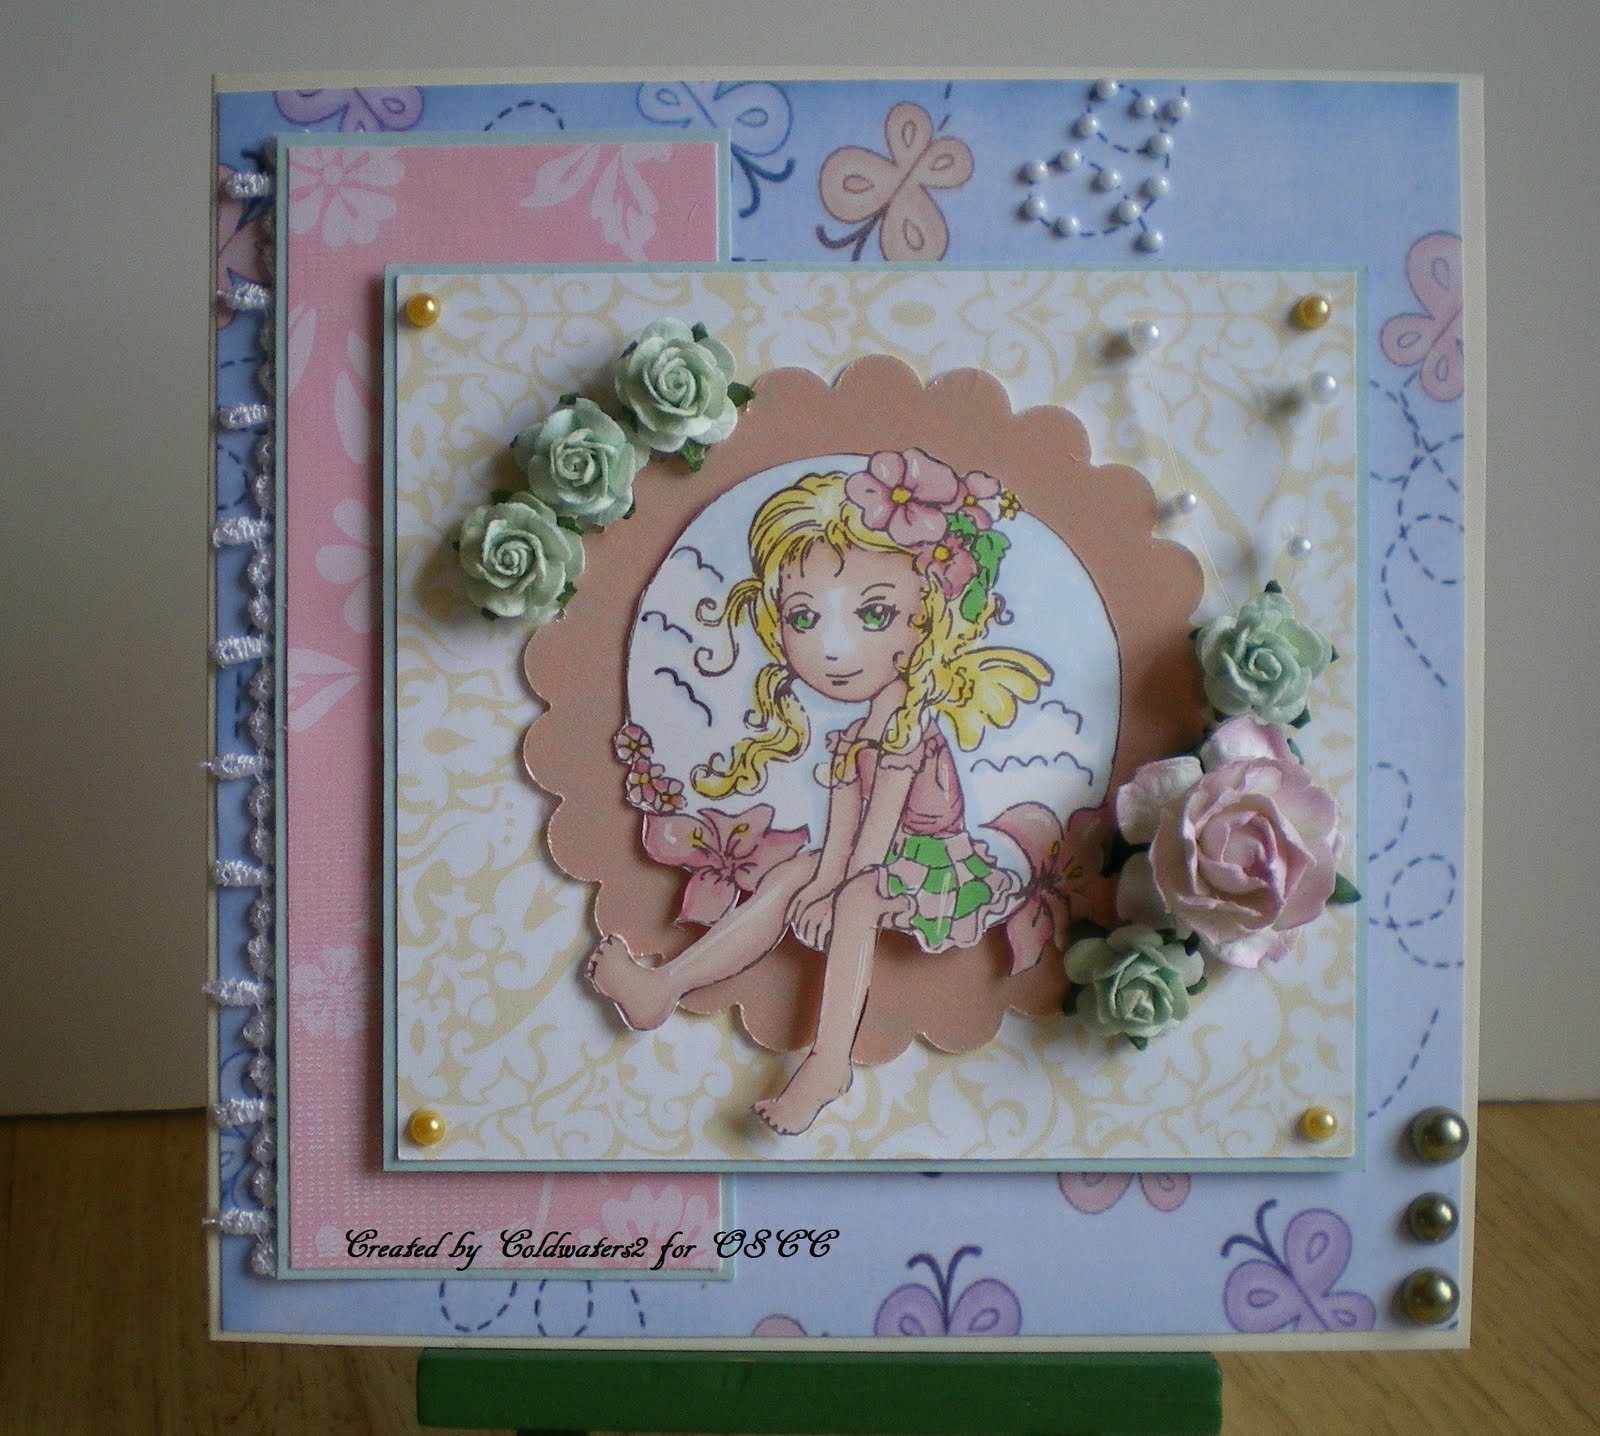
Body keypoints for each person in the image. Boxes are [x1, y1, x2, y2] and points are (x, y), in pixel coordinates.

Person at [588, 454, 1051, 1134]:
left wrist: (837, 892)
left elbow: (878, 836)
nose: (833, 649)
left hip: (938, 869)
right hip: (874, 860)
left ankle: (829, 1061)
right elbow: (842, 830)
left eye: (874, 612)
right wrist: (818, 883)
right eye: (803, 618)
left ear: (926, 617)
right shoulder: (852, 736)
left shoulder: (904, 727)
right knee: (791, 875)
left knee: (856, 898)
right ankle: (664, 986)